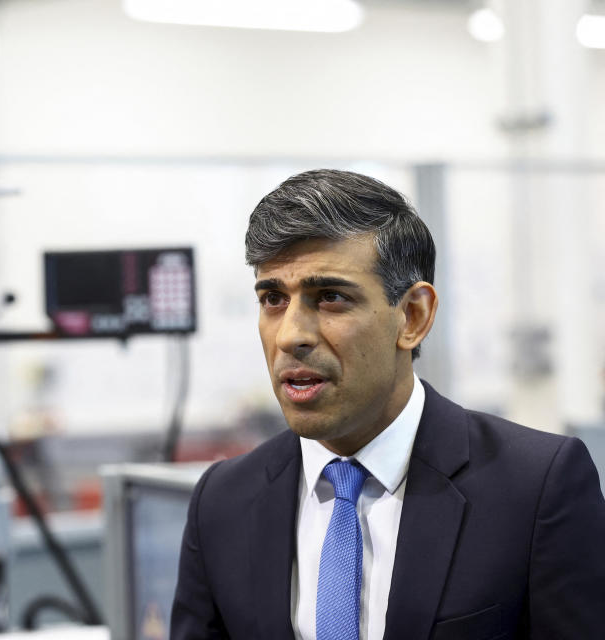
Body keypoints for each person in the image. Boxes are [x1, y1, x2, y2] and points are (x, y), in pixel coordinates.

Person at [170, 169, 605, 640]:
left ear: (413, 317)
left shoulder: (535, 489)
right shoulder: (223, 502)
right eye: (273, 298)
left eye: (330, 297)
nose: (291, 334)